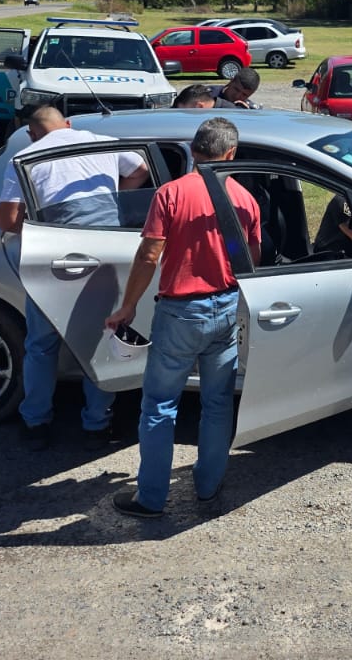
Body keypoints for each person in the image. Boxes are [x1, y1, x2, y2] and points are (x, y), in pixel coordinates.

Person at [105, 118, 260, 518]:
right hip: (225, 307)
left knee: (159, 404)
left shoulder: (171, 193)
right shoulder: (245, 199)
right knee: (218, 404)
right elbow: (252, 259)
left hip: (180, 311)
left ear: (193, 151)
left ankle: (151, 497)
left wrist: (127, 306)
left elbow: (149, 254)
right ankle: (208, 485)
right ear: (231, 154)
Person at [0, 107, 149, 450]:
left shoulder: (25, 157)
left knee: (41, 344)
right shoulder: (103, 142)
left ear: (32, 134)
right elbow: (140, 171)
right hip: (105, 253)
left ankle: (35, 423)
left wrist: (42, 225)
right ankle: (97, 424)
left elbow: (7, 220)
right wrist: (115, 202)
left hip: (53, 257)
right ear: (68, 124)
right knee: (101, 340)